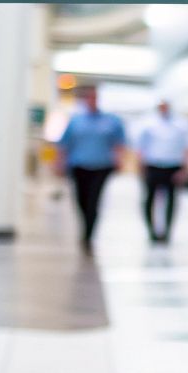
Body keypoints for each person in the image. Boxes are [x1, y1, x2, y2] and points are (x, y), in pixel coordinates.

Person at [54, 86, 126, 255]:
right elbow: (64, 144)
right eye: (89, 98)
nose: (92, 101)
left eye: (95, 97)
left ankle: (89, 234)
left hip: (101, 166)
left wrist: (119, 159)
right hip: (79, 165)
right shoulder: (76, 120)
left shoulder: (111, 120)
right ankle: (85, 225)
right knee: (81, 200)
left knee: (94, 200)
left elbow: (119, 143)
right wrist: (59, 163)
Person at [135, 100, 188, 244]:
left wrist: (186, 169)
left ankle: (167, 231)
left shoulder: (182, 124)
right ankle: (151, 231)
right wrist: (140, 168)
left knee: (171, 200)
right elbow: (140, 148)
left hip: (173, 166)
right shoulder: (147, 124)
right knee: (149, 199)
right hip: (152, 165)